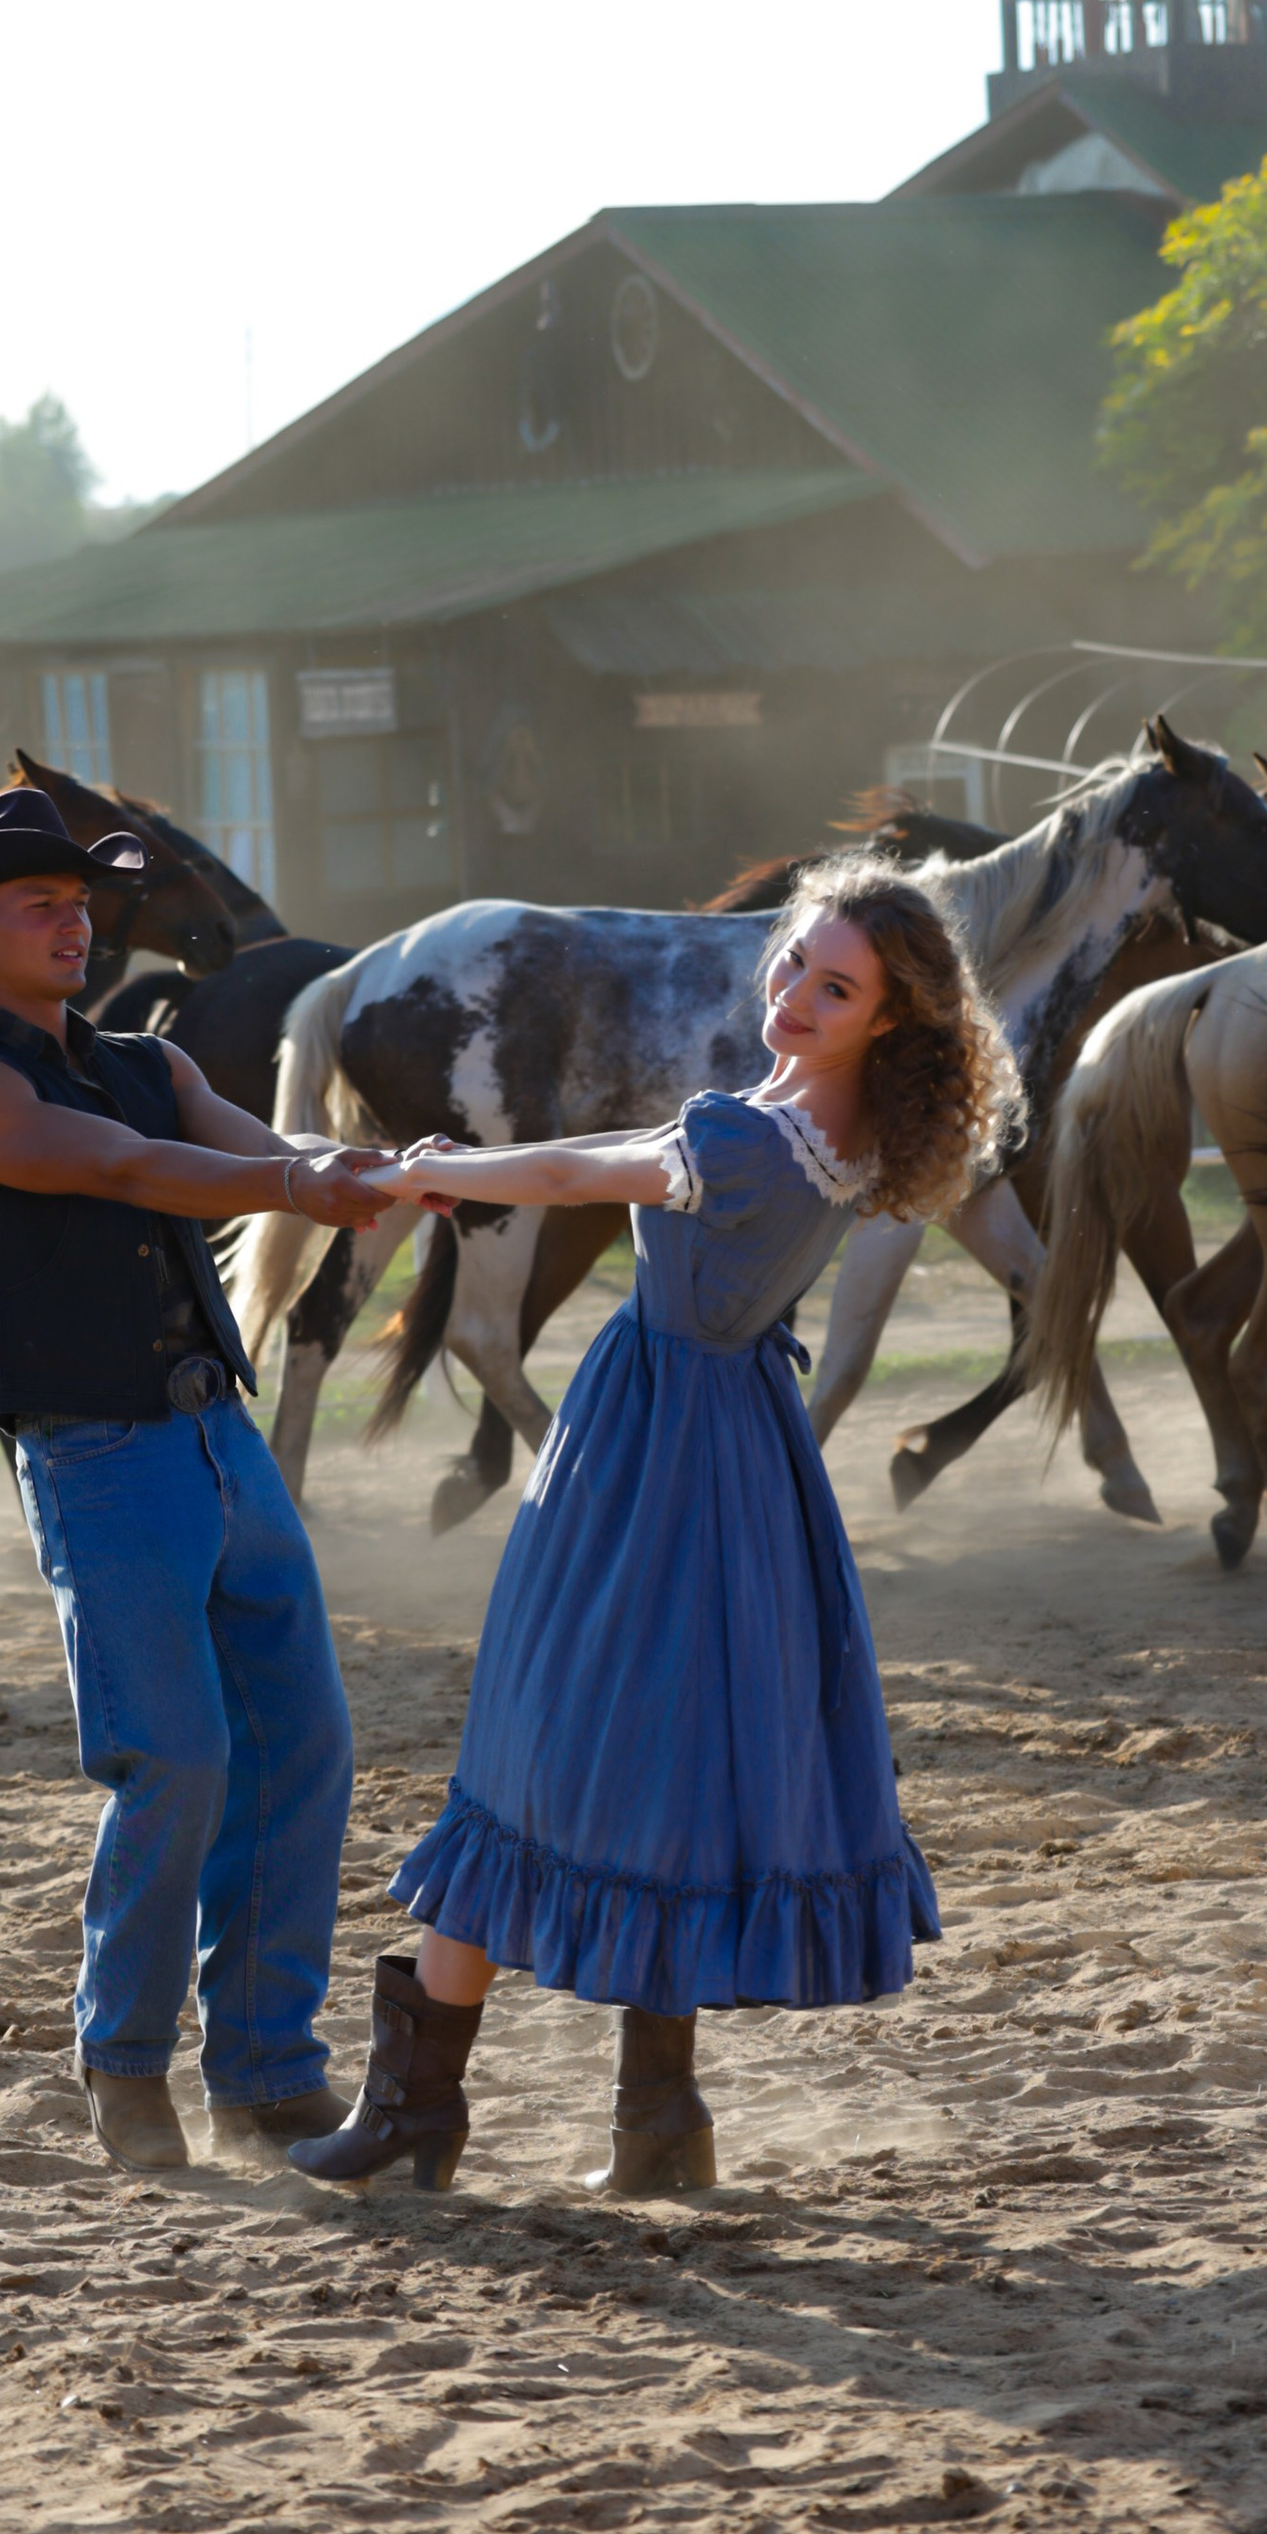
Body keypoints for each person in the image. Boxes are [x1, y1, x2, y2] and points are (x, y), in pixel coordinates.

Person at [290, 853, 1021, 2197]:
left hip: (648, 1453)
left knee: (526, 1747)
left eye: (836, 987)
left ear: (891, 1017)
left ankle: (415, 2116)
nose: (794, 992)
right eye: (796, 959)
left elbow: (584, 1168)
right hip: (740, 1453)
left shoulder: (745, 1141)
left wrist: (447, 1166)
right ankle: (660, 2120)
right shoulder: (857, 1132)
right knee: (671, 1775)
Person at [0, 786, 392, 2178]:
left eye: (80, 903)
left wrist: (360, 1168)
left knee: (303, 1744)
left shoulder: (148, 1060)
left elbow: (254, 1145)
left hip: (218, 1435)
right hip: (98, 1456)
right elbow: (127, 1169)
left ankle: (269, 2076)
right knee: (178, 1759)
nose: (76, 924)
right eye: (41, 905)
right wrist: (305, 1192)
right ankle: (126, 2064)